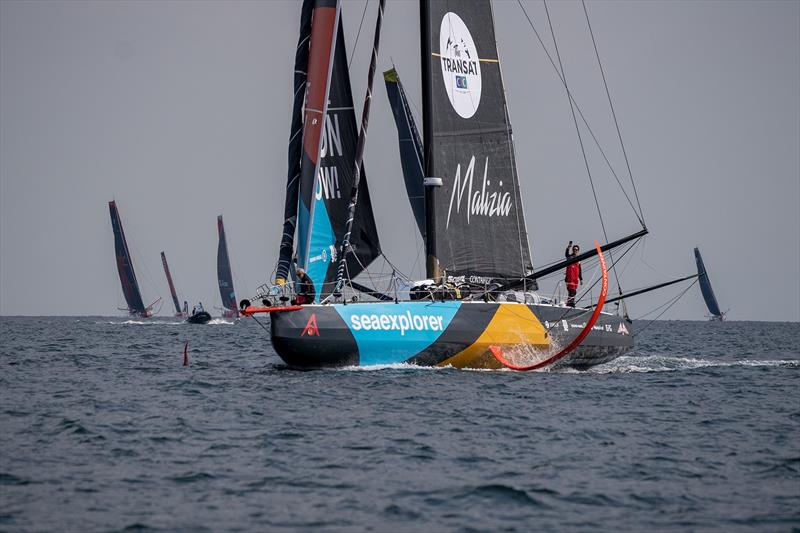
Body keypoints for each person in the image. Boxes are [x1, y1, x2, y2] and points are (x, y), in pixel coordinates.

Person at [564, 241, 582, 307]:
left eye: (576, 250)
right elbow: (566, 254)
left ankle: (570, 302)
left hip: (575, 278)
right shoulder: (570, 257)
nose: (575, 250)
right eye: (574, 249)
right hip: (570, 277)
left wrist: (581, 279)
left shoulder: (579, 260)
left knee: (574, 291)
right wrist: (568, 247)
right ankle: (570, 303)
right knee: (571, 290)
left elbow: (580, 270)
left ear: (578, 251)